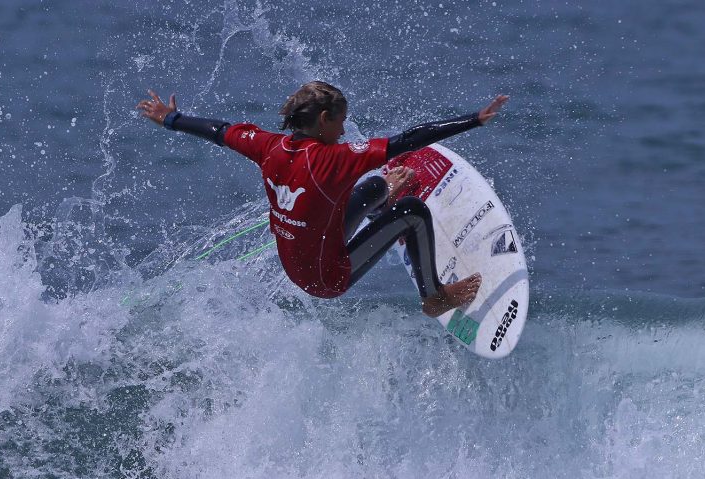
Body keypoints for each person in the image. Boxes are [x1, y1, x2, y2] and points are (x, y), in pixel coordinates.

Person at [137, 81, 508, 317]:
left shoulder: (267, 145)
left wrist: (172, 119)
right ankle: (434, 296)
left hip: (302, 253)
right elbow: (405, 141)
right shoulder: (335, 158)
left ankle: (384, 199)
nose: (345, 129)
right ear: (324, 119)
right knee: (412, 210)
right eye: (341, 121)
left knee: (369, 187)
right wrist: (473, 120)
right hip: (324, 276)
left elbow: (218, 131)